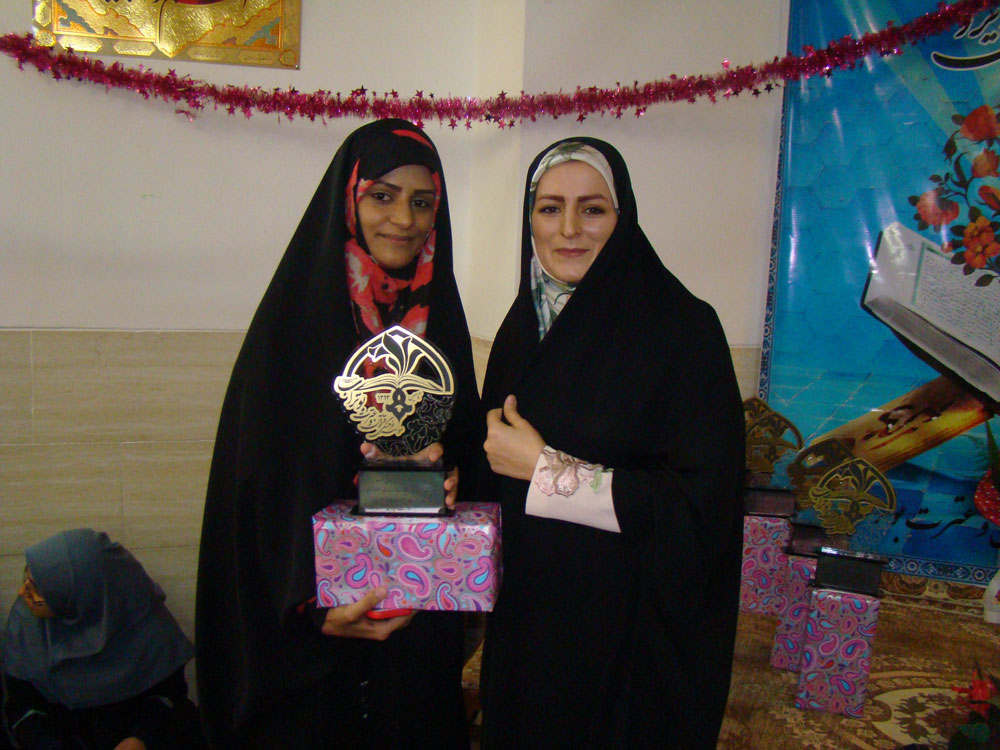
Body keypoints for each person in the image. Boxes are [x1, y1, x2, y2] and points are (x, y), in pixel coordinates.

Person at [195, 119, 480, 748]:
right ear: (347, 201)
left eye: (422, 201)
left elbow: (470, 465)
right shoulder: (293, 328)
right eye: (382, 195)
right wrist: (312, 603)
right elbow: (257, 490)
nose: (404, 219)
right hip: (314, 643)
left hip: (415, 620)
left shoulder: (441, 328)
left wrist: (451, 477)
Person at [479, 138, 745, 748]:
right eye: (549, 208)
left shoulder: (684, 330)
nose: (569, 229)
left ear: (623, 218)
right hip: (529, 625)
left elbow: (700, 505)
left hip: (628, 637)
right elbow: (492, 460)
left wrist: (548, 471)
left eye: (592, 209)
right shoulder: (523, 327)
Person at [1, 529, 202, 750]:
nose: (22, 592)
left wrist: (140, 738)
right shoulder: (27, 623)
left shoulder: (143, 619)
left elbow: (169, 694)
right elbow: (22, 707)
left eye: (35, 588)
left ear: (79, 593)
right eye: (26, 579)